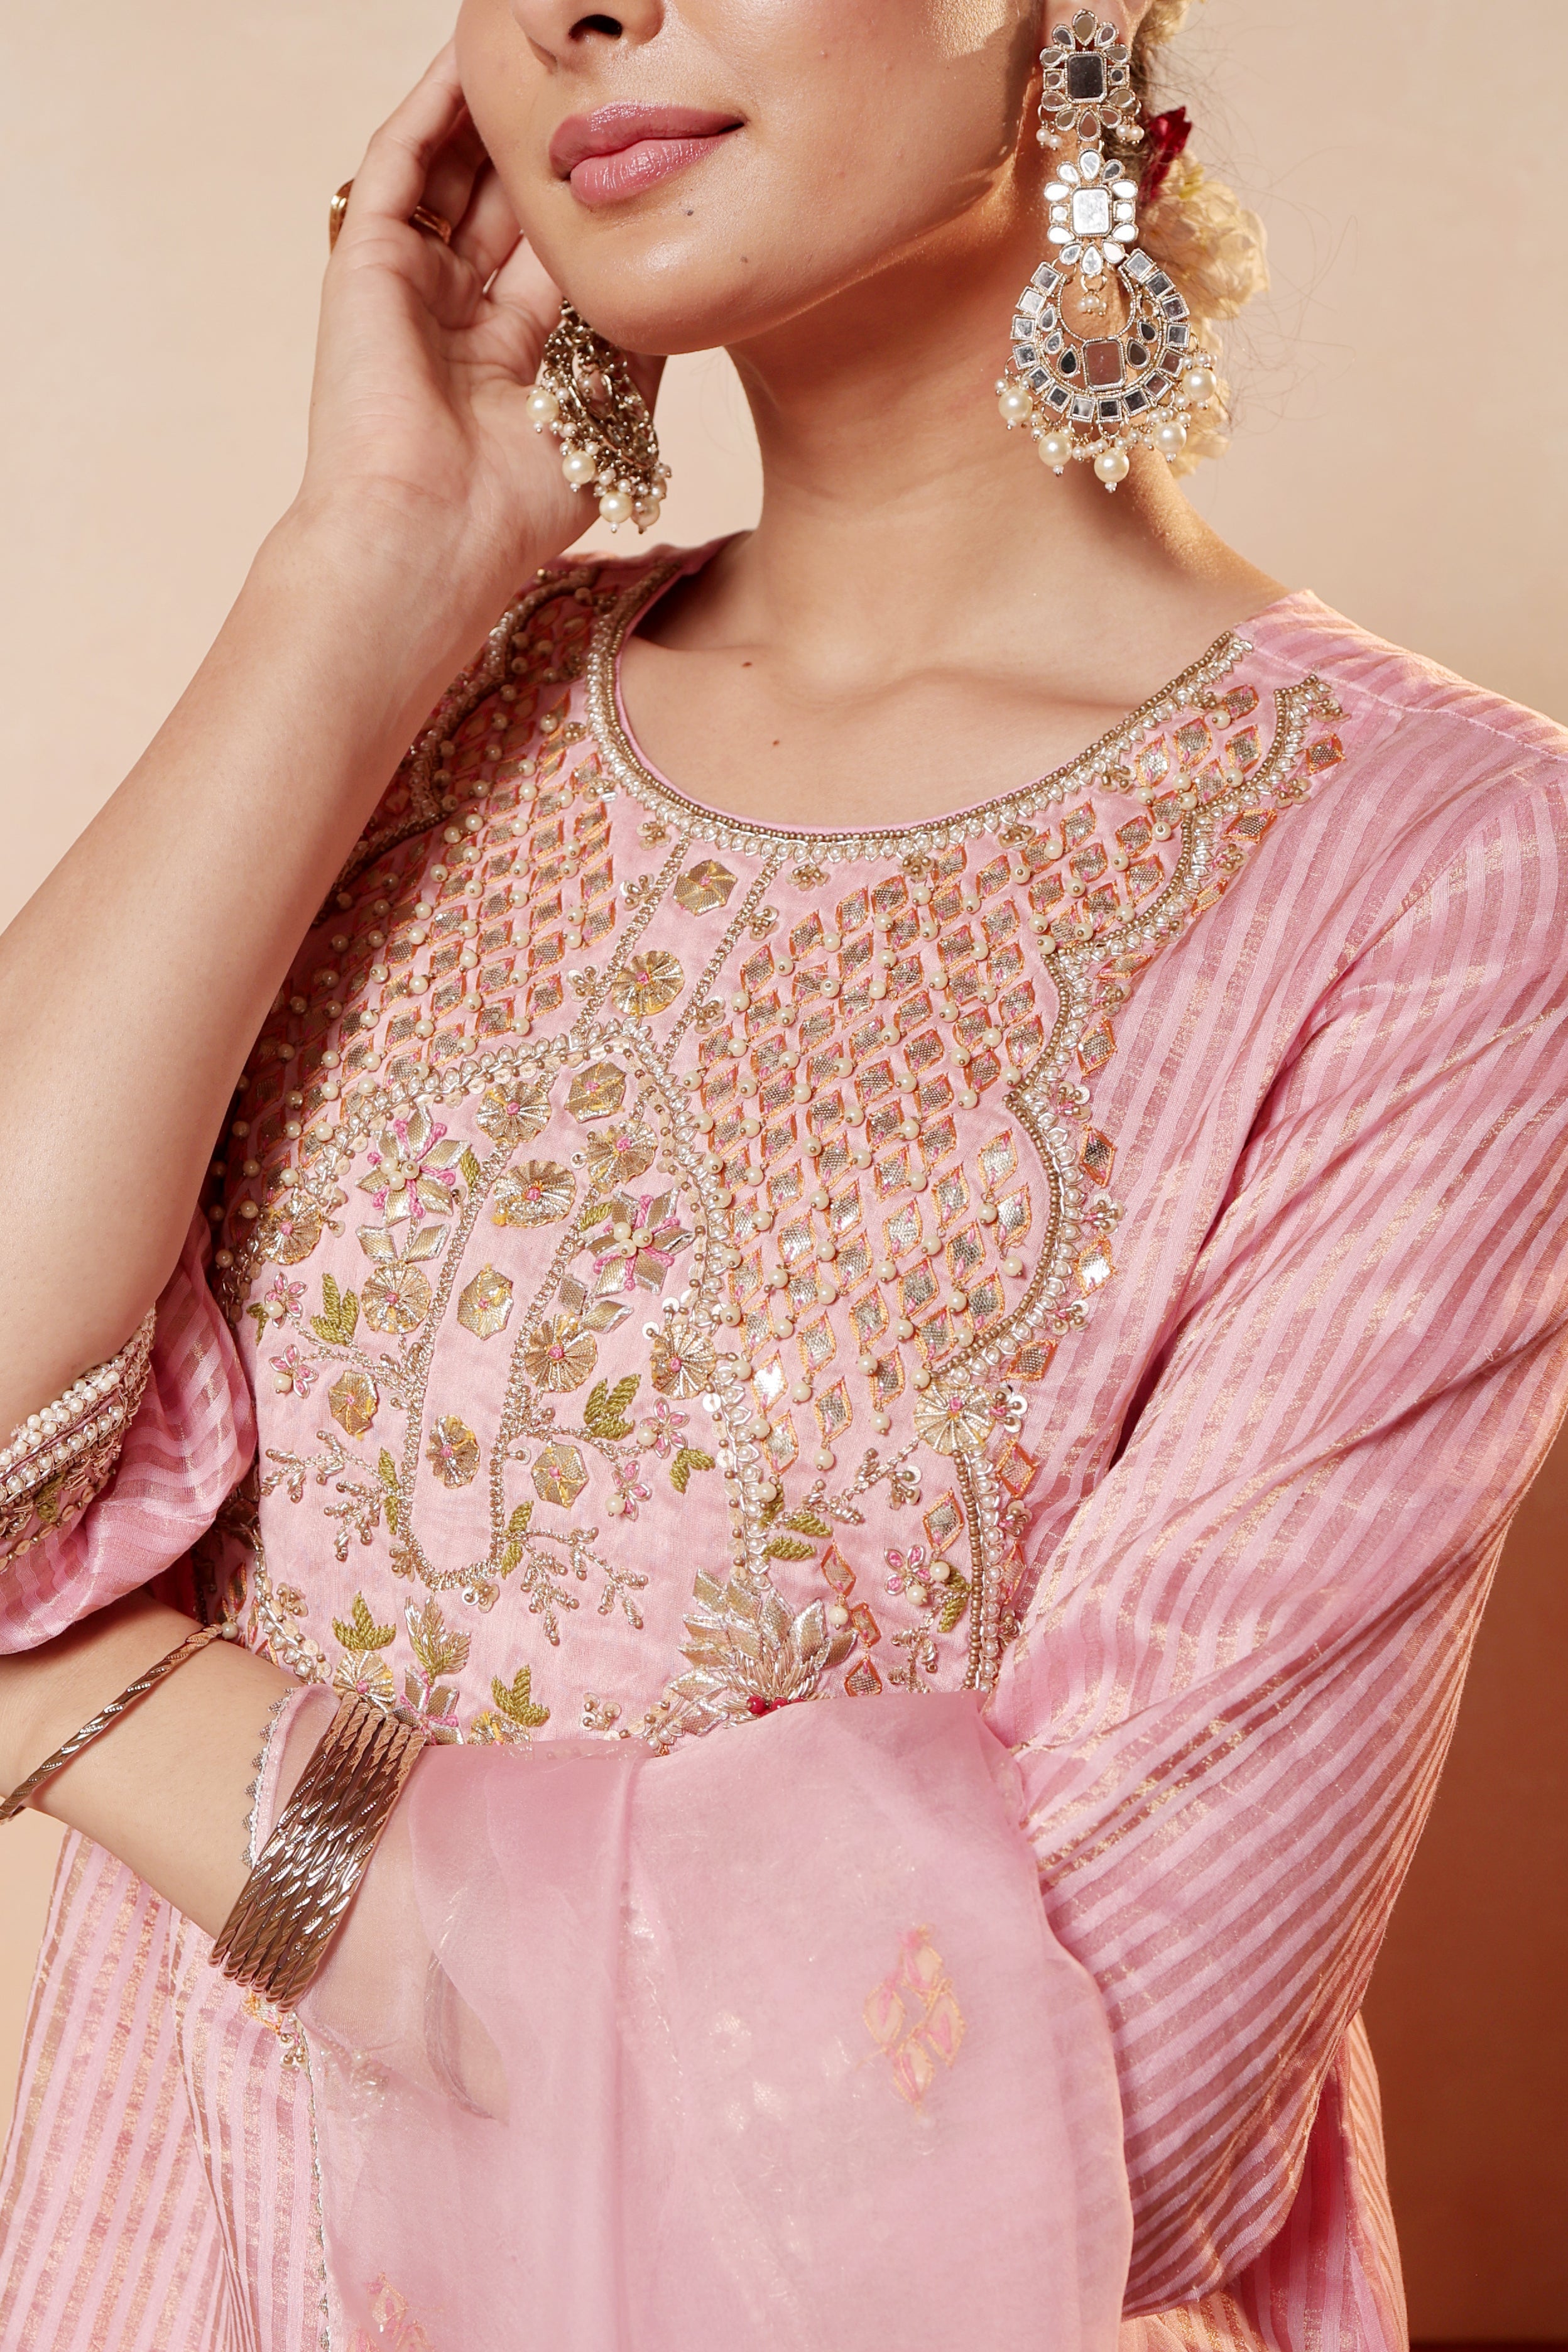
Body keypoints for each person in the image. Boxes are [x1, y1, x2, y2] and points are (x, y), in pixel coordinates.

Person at [1, 2, 1565, 2344]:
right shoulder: (425, 694)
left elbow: (1088, 2091)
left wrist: (66, 1700)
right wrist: (365, 559)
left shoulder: (1442, 874)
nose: (578, 12)